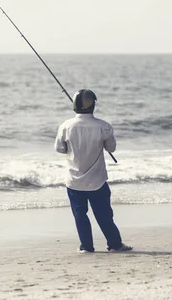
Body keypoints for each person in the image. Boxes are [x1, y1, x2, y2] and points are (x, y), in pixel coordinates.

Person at [54, 89, 132, 253]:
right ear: (93, 106)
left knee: (80, 215)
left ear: (75, 106)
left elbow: (60, 149)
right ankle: (115, 244)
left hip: (74, 180)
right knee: (104, 215)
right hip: (97, 180)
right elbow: (111, 147)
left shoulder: (66, 126)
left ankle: (87, 247)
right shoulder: (104, 127)